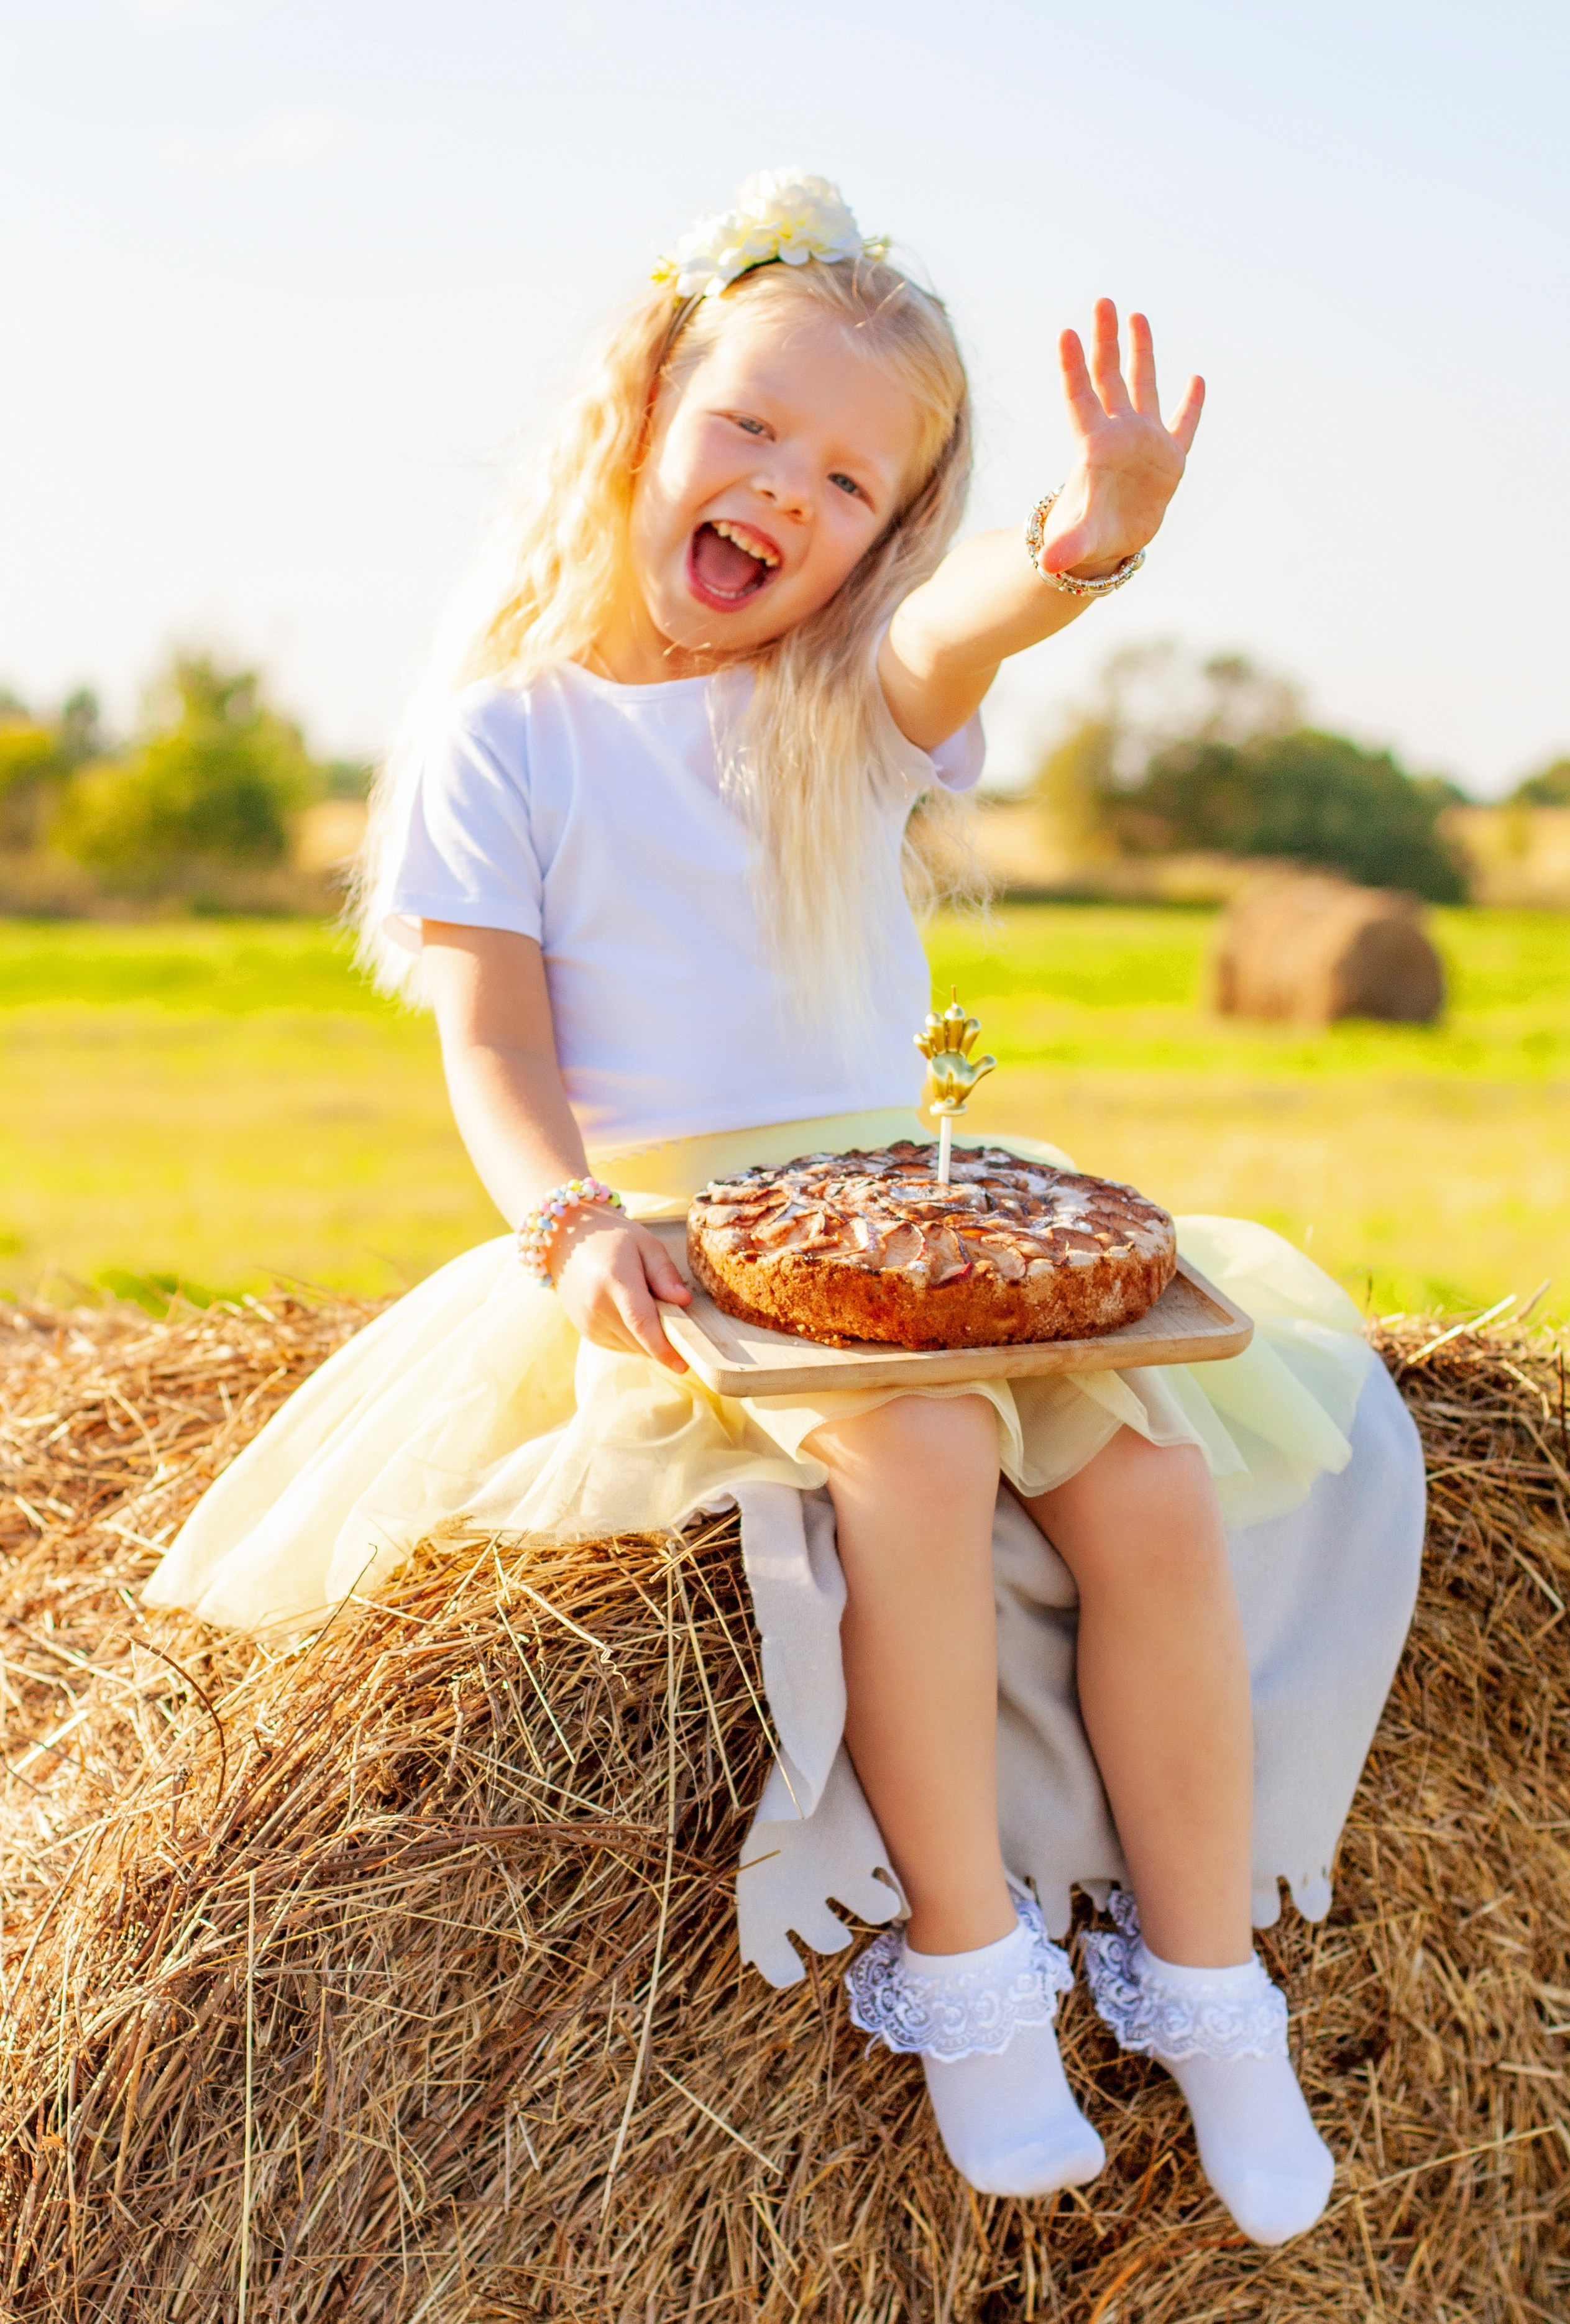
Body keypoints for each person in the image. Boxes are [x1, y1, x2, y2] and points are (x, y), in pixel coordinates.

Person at [149, 171, 1368, 2244]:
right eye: (750, 431)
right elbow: (494, 1051)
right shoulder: (504, 743)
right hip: (693, 1243)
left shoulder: (838, 710)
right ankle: (975, 1987)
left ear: (882, 535)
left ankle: (1211, 1991)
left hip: (916, 1219)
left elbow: (969, 620)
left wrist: (1086, 544)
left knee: (1152, 1481)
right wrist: (564, 1228)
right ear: (645, 404)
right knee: (905, 1461)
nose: (782, 493)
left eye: (848, 481)